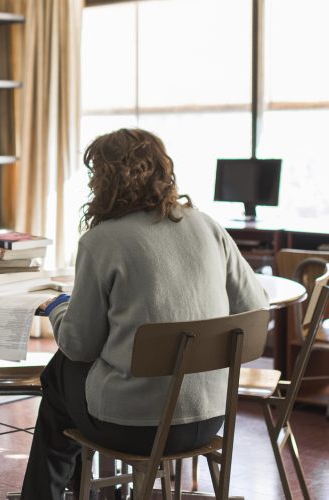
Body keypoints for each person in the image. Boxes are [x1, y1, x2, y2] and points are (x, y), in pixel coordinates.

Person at [20, 128, 269, 500]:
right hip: (211, 417)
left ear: (104, 180)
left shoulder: (100, 241)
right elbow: (255, 307)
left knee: (58, 372)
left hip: (133, 427)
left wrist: (59, 309)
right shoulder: (207, 226)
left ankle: (51, 495)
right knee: (68, 374)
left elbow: (79, 345)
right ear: (161, 170)